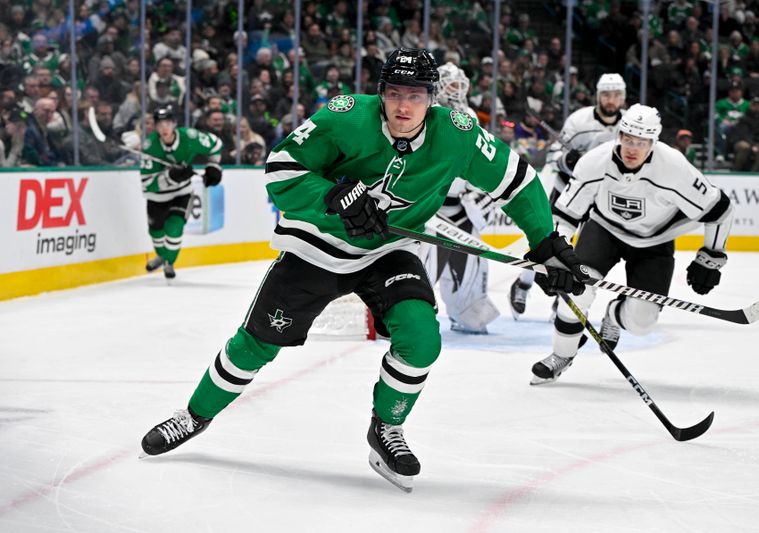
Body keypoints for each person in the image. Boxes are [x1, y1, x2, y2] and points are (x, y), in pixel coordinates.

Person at [139, 48, 588, 492]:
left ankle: (386, 429)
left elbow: (519, 182)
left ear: (432, 99)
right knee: (255, 345)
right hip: (318, 248)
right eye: (394, 93)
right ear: (381, 93)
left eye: (415, 95)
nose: (404, 106)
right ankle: (194, 415)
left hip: (389, 251)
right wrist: (333, 197)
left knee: (421, 338)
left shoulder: (459, 133)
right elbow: (280, 167)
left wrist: (544, 242)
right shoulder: (345, 115)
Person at [530, 104, 734, 385]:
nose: (632, 148)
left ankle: (614, 315)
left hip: (655, 242)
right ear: (619, 134)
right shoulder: (594, 162)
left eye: (641, 142)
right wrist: (555, 257)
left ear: (654, 142)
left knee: (642, 322)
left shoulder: (674, 168)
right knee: (576, 291)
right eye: (627, 138)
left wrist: (711, 257)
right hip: (604, 230)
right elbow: (564, 215)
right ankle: (561, 355)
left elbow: (721, 210)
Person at [509, 73, 627, 319]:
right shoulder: (579, 121)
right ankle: (523, 283)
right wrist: (567, 161)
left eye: (616, 95)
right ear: (598, 96)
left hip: (597, 200)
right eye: (606, 94)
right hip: (567, 193)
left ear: (623, 97)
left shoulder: (627, 126)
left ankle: (562, 298)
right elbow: (554, 156)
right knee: (545, 241)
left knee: (577, 253)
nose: (611, 100)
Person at [425, 61, 499, 334]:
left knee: (469, 266)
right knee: (424, 265)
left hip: (461, 207)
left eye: (460, 85)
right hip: (431, 204)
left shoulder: (469, 114)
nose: (456, 90)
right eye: (451, 84)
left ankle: (465, 311)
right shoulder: (428, 112)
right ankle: (411, 311)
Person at [140, 105, 223, 279]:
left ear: (174, 124)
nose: (164, 128)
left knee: (174, 227)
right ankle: (162, 256)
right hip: (156, 198)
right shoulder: (150, 147)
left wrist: (213, 166)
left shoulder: (190, 137)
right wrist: (170, 176)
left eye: (168, 123)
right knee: (156, 234)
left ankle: (169, 262)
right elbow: (147, 183)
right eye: (160, 124)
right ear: (155, 127)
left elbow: (216, 145)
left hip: (181, 193)